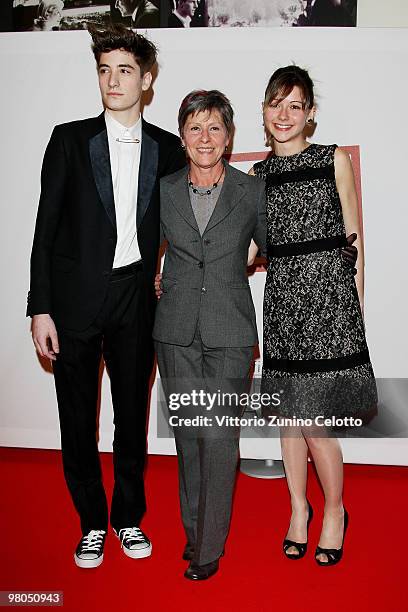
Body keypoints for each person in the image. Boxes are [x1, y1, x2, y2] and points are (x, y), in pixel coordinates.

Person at [27, 24, 185, 568]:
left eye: (124, 70)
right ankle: (92, 522)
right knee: (76, 420)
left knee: (131, 419)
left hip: (136, 299)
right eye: (104, 69)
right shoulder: (69, 139)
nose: (112, 80)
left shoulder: (168, 148)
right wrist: (39, 307)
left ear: (146, 80)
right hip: (71, 303)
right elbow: (44, 230)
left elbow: (185, 222)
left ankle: (127, 519)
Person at [251, 65, 376, 566]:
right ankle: (299, 510)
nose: (284, 115)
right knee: (288, 419)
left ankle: (335, 512)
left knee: (316, 423)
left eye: (295, 105)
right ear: (264, 111)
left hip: (329, 304)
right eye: (276, 104)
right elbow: (252, 249)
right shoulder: (256, 177)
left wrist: (356, 309)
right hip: (282, 303)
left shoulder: (333, 159)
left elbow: (354, 238)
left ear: (310, 115)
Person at [153, 90, 266, 580]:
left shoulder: (250, 190)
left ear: (228, 137)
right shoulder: (164, 190)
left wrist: (235, 266)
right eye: (195, 127)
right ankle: (195, 531)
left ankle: (208, 549)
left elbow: (271, 248)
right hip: (175, 332)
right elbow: (139, 249)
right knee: (189, 438)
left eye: (214, 128)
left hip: (230, 331)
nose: (205, 137)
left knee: (219, 438)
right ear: (182, 136)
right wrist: (167, 277)